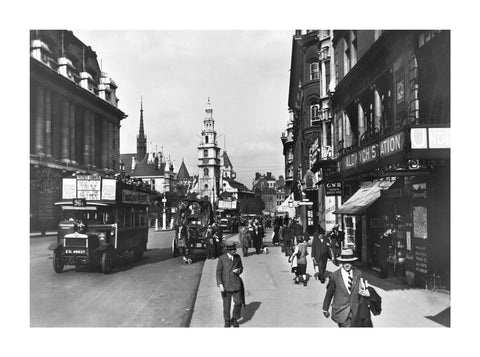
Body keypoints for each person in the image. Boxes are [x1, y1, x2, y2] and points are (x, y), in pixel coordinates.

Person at [322, 248, 370, 327]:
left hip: (356, 311)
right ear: (341, 262)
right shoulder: (334, 276)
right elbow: (329, 293)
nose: (347, 265)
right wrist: (325, 308)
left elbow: (362, 290)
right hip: (341, 311)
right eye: (345, 262)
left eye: (349, 262)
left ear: (352, 262)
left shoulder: (358, 274)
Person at [216, 241, 245, 327]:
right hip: (226, 285)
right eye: (232, 250)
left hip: (236, 283)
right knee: (226, 305)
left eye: (234, 249)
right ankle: (227, 321)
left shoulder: (237, 257)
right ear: (228, 250)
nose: (234, 251)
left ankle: (234, 318)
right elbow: (218, 272)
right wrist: (220, 284)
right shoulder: (222, 259)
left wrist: (239, 270)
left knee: (239, 303)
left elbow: (241, 267)